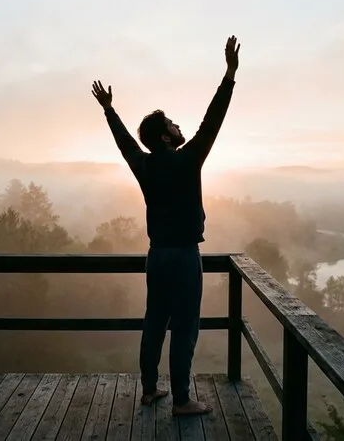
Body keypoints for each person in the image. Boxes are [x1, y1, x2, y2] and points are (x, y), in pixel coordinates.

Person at [90, 35, 240, 415]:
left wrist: (109, 110)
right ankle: (183, 400)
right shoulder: (188, 159)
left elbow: (126, 144)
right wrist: (229, 75)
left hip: (156, 258)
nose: (178, 125)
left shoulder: (144, 165)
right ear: (165, 136)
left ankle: (149, 389)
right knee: (185, 329)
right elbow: (213, 121)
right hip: (184, 258)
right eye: (172, 123)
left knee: (154, 321)